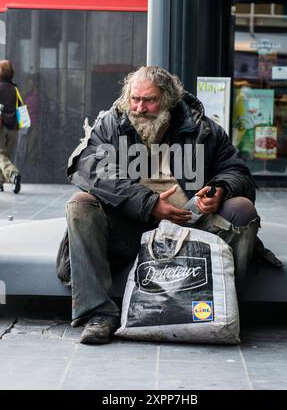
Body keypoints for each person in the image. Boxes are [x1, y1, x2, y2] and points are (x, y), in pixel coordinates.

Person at [59, 66, 270, 345]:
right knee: (80, 205)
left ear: (168, 100)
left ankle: (223, 307)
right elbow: (88, 169)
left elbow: (238, 172)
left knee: (242, 209)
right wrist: (147, 204)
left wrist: (220, 189)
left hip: (191, 226)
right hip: (130, 225)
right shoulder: (111, 124)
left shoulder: (202, 128)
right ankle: (99, 313)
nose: (140, 108)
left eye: (150, 100)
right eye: (135, 99)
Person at [0, 60, 21, 193]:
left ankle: (13, 174)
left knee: (0, 155)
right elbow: (20, 106)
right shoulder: (14, 88)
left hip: (1, 126)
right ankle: (1, 182)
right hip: (13, 126)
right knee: (6, 155)